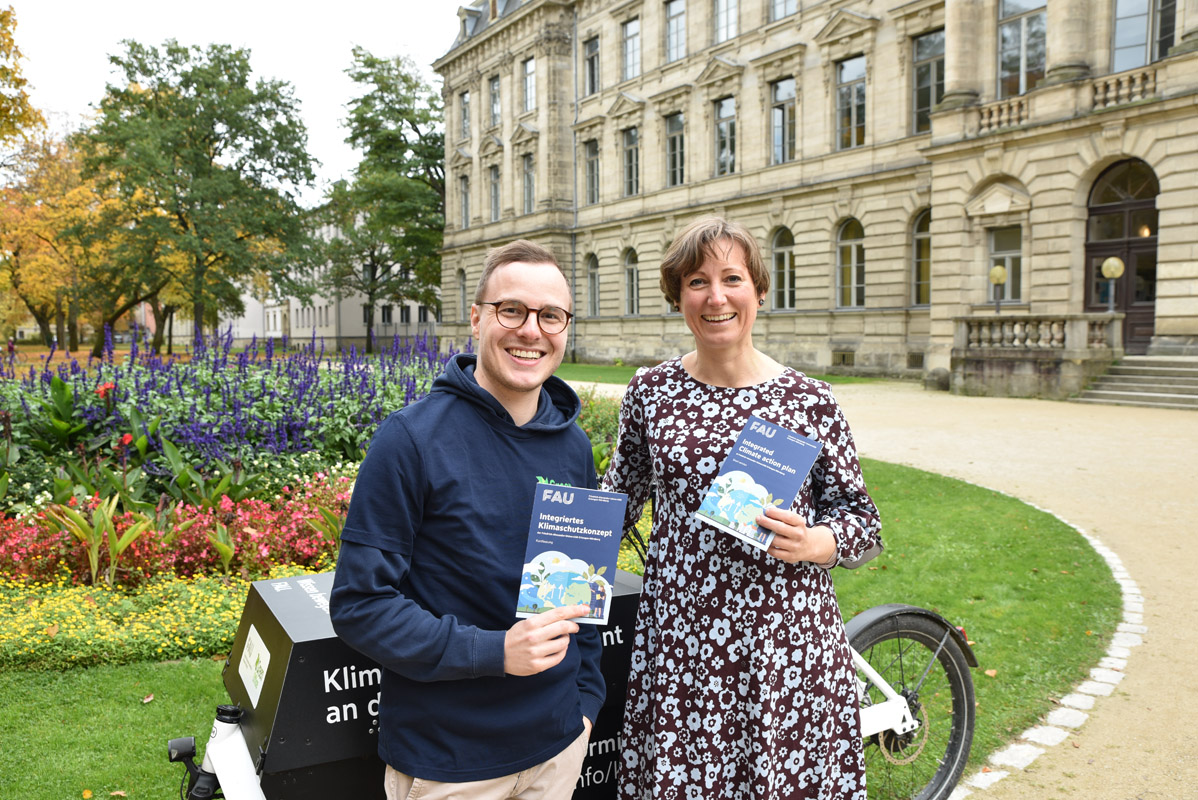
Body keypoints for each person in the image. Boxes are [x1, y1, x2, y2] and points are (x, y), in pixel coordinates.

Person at [600, 217, 882, 800]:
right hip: (682, 647)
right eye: (697, 282)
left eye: (732, 278)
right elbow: (615, 505)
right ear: (678, 296)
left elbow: (861, 519)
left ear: (758, 289)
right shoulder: (651, 392)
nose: (716, 297)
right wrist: (544, 562)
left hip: (784, 649)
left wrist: (815, 542)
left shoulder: (809, 399)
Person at [330, 240, 603, 800]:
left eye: (551, 315)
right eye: (512, 310)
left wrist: (585, 705)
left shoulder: (573, 446)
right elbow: (361, 605)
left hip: (558, 747)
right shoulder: (410, 440)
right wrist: (496, 652)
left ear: (565, 328)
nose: (531, 330)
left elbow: (584, 592)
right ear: (477, 318)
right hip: (451, 763)